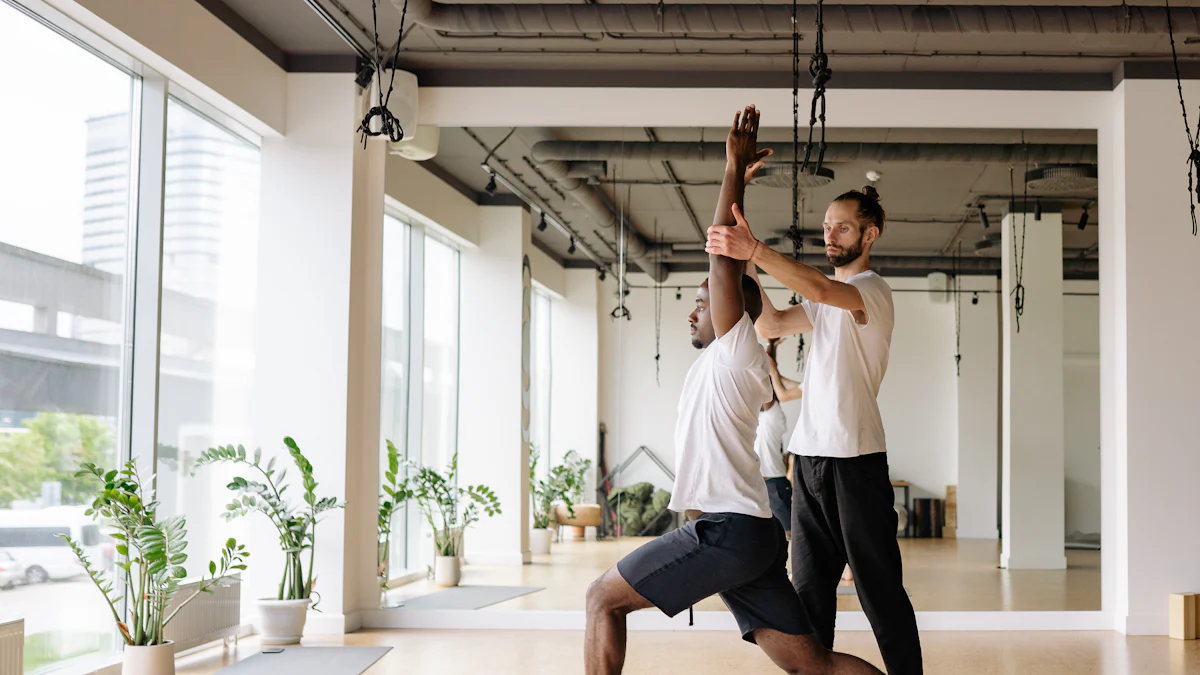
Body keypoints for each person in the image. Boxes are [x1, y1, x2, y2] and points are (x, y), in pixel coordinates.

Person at [584, 105, 883, 675]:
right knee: (812, 665)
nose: (693, 312)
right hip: (748, 536)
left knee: (602, 598)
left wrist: (731, 170)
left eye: (702, 302)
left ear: (731, 311)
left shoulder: (737, 346)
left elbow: (724, 260)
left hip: (725, 531)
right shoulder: (720, 361)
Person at [705, 179, 923, 674]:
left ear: (870, 235)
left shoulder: (871, 291)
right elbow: (772, 325)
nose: (830, 235)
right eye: (826, 226)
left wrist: (756, 249)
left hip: (855, 458)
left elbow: (824, 287)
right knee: (809, 592)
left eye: (842, 227)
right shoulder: (825, 303)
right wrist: (742, 265)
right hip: (807, 458)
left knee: (879, 590)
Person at [757, 339, 796, 536]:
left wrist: (771, 349)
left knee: (788, 532)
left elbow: (769, 382)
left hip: (775, 483)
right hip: (756, 483)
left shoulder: (773, 418)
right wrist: (771, 346)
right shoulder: (757, 417)